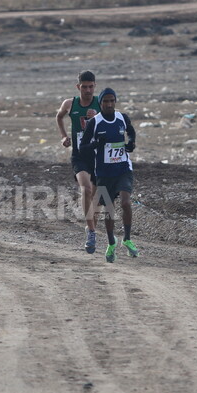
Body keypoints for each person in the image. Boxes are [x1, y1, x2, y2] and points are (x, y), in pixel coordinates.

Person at [78, 87, 138, 263]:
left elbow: (131, 131)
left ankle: (127, 238)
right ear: (101, 103)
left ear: (115, 102)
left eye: (112, 101)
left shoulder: (122, 118)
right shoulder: (94, 123)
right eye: (106, 101)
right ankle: (111, 242)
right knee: (109, 210)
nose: (109, 104)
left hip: (123, 169)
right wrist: (96, 144)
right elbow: (83, 148)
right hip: (104, 173)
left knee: (126, 202)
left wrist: (131, 143)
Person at [55, 70, 101, 253]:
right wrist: (64, 137)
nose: (88, 90)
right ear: (78, 87)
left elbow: (112, 122)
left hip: (98, 156)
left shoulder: (101, 103)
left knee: (97, 197)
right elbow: (58, 117)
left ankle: (91, 228)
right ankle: (91, 231)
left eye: (91, 86)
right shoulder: (70, 103)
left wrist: (96, 118)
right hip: (79, 155)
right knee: (86, 189)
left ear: (95, 86)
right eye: (85, 87)